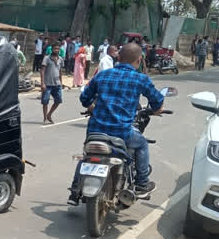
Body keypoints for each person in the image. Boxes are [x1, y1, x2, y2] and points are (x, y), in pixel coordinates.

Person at [67, 43, 164, 205]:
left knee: (87, 156)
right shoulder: (140, 78)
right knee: (142, 145)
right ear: (139, 60)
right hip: (122, 133)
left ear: (119, 57)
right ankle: (141, 184)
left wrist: (93, 107)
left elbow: (85, 98)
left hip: (95, 131)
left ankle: (75, 189)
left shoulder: (102, 76)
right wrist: (157, 110)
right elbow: (157, 101)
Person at [40, 42, 64, 125]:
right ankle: (45, 118)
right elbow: (42, 70)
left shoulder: (60, 59)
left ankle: (49, 115)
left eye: (58, 49)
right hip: (47, 84)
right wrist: (42, 83)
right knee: (45, 101)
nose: (56, 50)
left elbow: (60, 71)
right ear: (52, 49)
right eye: (55, 49)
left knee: (58, 100)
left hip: (57, 84)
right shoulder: (46, 58)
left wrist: (61, 82)